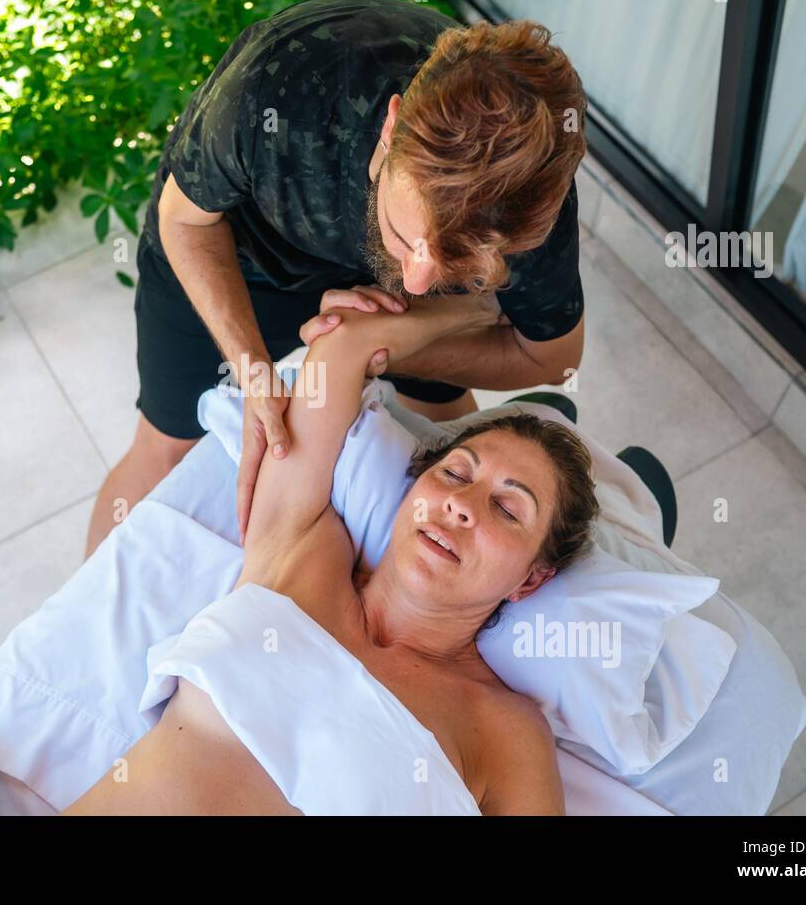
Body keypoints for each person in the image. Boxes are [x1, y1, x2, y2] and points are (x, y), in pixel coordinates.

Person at [84, 0, 588, 557]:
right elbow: (185, 221)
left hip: (381, 312)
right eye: (405, 238)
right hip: (234, 252)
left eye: (459, 269)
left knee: (446, 436)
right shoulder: (278, 89)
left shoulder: (528, 207)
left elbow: (554, 357)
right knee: (167, 445)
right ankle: (76, 638)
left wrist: (390, 340)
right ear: (389, 132)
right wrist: (254, 372)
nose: (418, 282)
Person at [63, 293, 599, 815]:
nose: (460, 505)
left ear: (530, 581)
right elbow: (344, 346)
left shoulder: (505, 731)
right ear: (412, 492)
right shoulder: (302, 554)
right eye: (454, 473)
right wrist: (487, 306)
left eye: (507, 509)